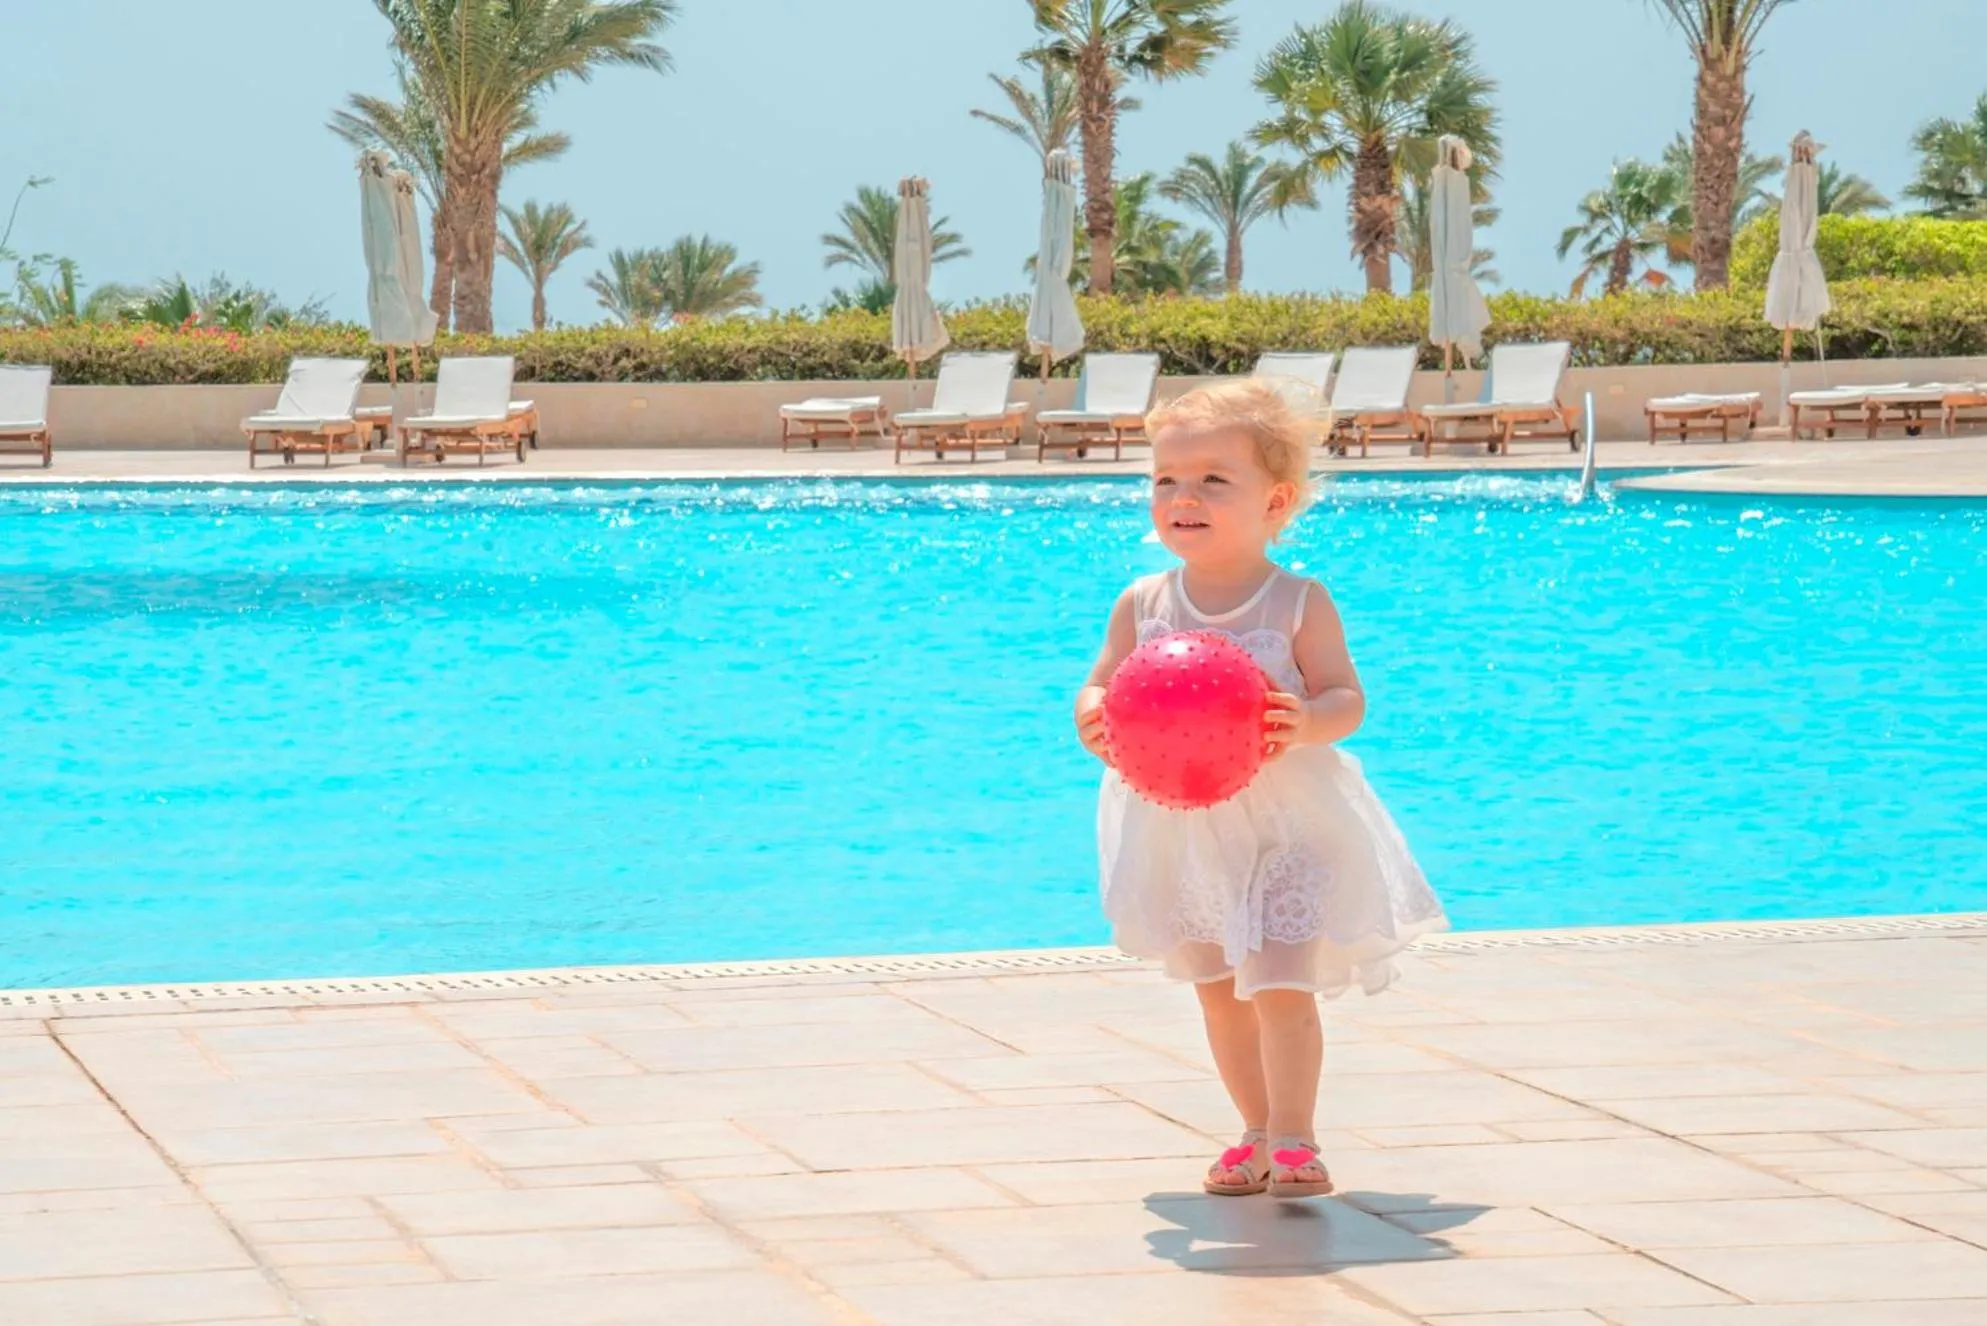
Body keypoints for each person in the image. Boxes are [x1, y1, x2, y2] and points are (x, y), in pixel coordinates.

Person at [1073, 379, 1446, 1199]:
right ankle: (1251, 1130)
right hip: (1186, 831)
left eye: (1213, 479)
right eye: (1166, 479)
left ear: (1274, 501)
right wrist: (1092, 716)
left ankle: (1294, 1138)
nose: (1183, 497)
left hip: (1288, 829)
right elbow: (1100, 684)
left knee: (1279, 983)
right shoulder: (1143, 603)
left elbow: (1347, 699)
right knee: (1218, 993)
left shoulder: (1295, 603)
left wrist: (1305, 720)